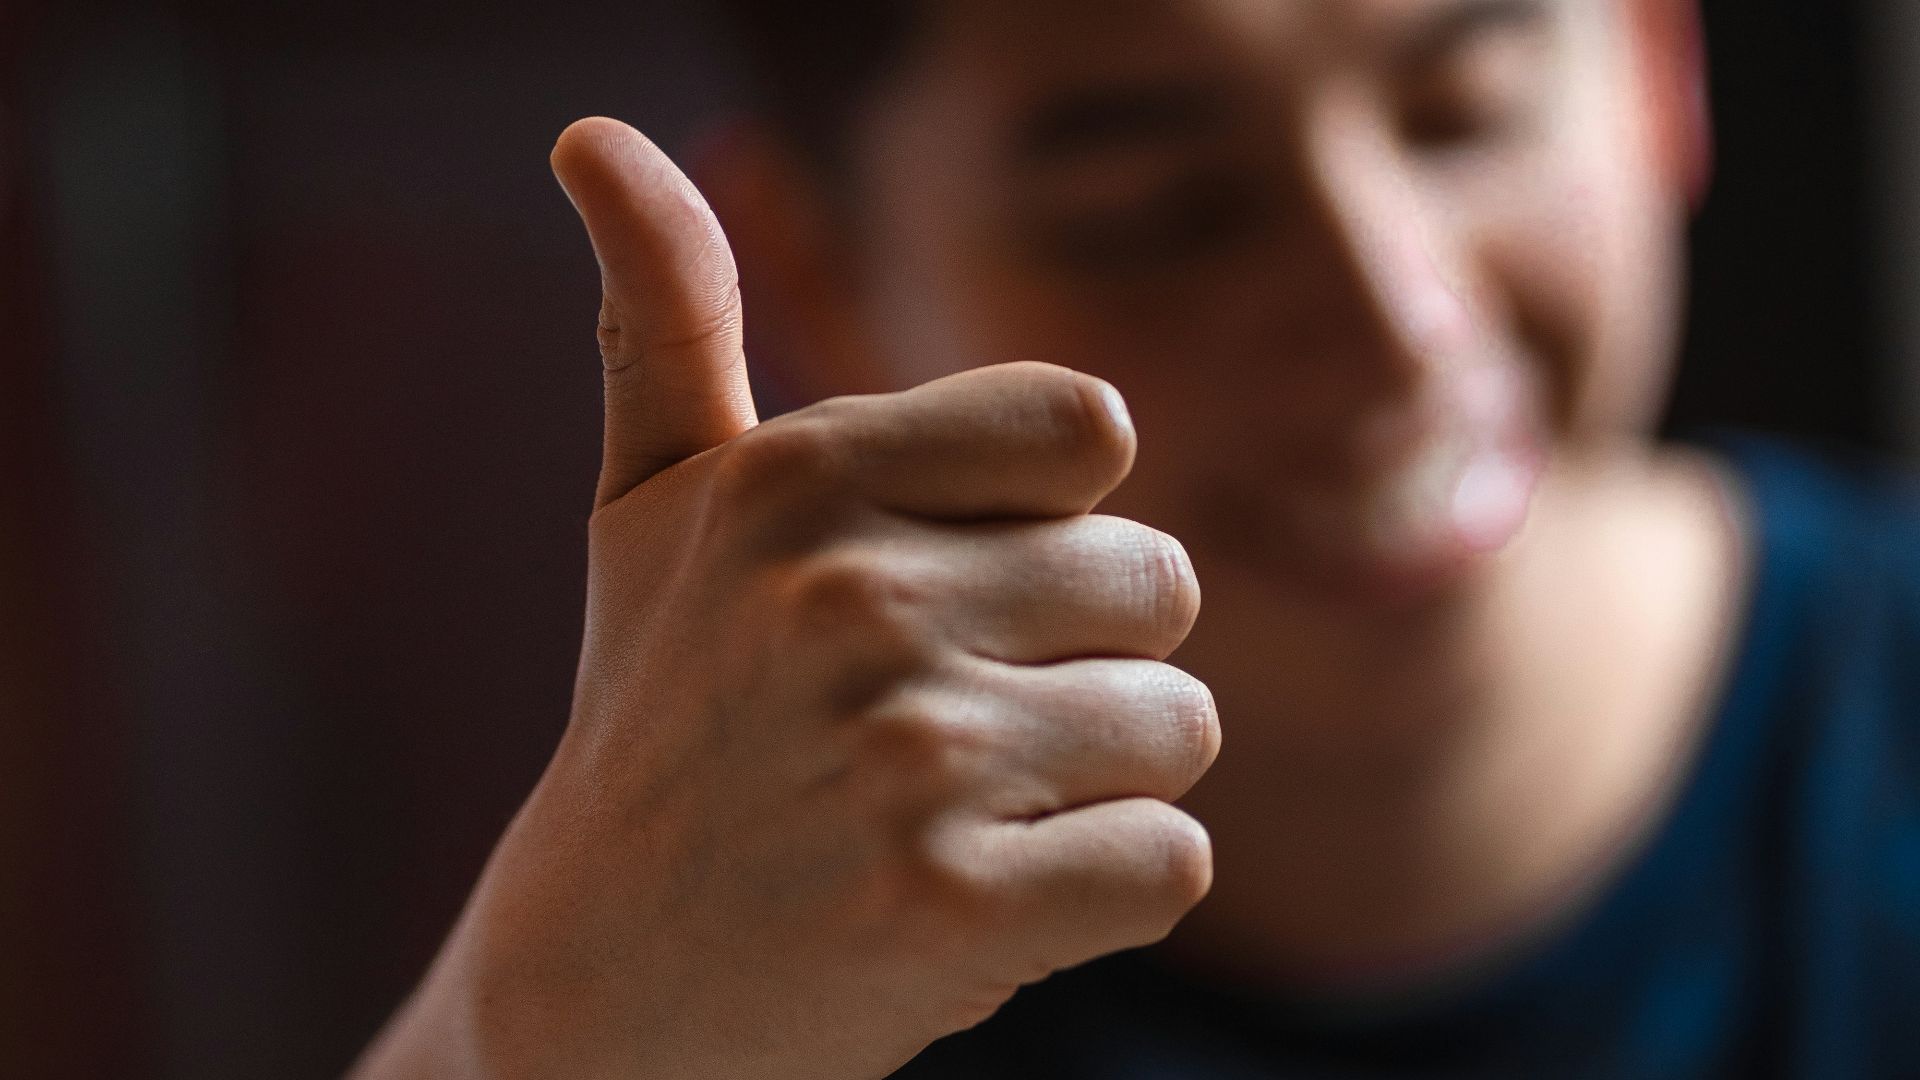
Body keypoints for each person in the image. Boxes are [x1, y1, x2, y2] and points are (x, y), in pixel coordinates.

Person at [351, 0, 1920, 1076]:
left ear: (1659, 63)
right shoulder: (731, 926)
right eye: (1163, 209)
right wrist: (537, 1034)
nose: (1397, 318)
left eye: (1465, 113)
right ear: (815, 265)